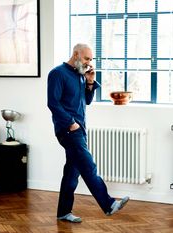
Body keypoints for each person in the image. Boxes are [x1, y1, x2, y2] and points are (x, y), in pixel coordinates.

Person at [47, 43, 129, 223]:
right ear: (76, 54)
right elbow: (53, 103)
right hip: (68, 130)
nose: (89, 63)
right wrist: (70, 123)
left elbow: (88, 101)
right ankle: (108, 205)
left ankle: (63, 212)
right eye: (86, 58)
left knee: (71, 173)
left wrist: (90, 81)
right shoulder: (57, 73)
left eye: (91, 60)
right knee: (89, 167)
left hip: (80, 130)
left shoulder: (80, 75)